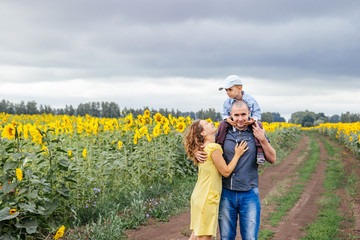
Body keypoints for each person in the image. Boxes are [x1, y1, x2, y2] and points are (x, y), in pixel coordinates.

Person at [197, 101, 276, 240]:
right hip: (226, 193)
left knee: (250, 238)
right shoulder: (222, 133)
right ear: (231, 116)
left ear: (249, 114)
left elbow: (273, 159)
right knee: (226, 237)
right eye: (237, 115)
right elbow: (201, 140)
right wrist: (194, 152)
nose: (240, 119)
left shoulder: (256, 132)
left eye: (244, 114)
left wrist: (262, 139)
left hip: (249, 193)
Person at [184, 119, 249, 240]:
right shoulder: (213, 148)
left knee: (196, 234)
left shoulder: (202, 148)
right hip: (207, 197)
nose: (211, 123)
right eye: (206, 124)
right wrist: (237, 154)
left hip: (199, 195)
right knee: (204, 235)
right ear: (202, 133)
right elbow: (226, 171)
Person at [217, 75, 266, 164]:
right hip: (232, 122)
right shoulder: (227, 102)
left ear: (239, 88)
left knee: (258, 125)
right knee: (222, 125)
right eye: (226, 90)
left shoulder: (250, 100)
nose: (228, 92)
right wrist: (227, 119)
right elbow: (224, 114)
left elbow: (257, 112)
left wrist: (253, 119)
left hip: (248, 121)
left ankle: (259, 151)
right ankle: (219, 146)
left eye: (230, 89)